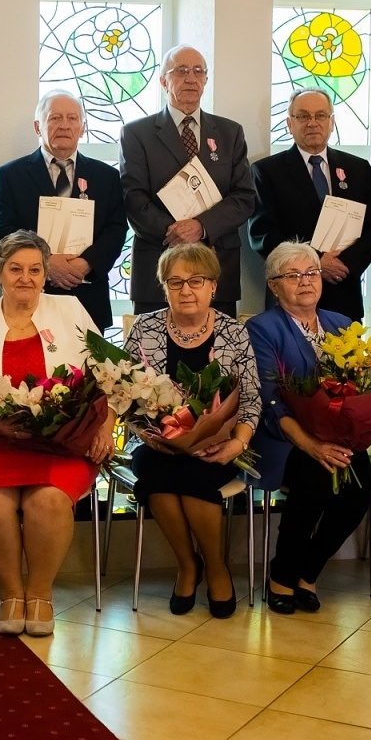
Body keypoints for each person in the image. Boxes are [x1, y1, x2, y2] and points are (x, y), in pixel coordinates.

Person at [0, 231, 115, 638]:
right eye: (16, 269)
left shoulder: (71, 310)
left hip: (64, 441)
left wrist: (106, 426)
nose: (26, 277)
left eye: (35, 269)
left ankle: (39, 594)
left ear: (45, 276)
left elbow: (109, 374)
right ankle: (11, 593)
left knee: (50, 501)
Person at [125, 243, 260, 618]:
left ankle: (215, 567)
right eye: (175, 282)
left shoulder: (234, 332)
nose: (186, 290)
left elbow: (251, 398)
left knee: (197, 472)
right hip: (158, 446)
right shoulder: (145, 328)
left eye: (196, 281)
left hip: (221, 445)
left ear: (213, 286)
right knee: (156, 471)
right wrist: (147, 434)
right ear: (163, 287)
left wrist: (238, 442)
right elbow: (123, 394)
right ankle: (189, 565)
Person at [246, 242, 371, 615]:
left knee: (362, 489)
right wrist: (311, 444)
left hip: (339, 435)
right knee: (314, 479)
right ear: (273, 285)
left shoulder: (343, 324)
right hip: (284, 437)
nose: (305, 282)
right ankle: (282, 576)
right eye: (293, 275)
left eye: (312, 273)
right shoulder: (261, 328)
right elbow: (270, 399)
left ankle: (309, 571)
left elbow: (359, 389)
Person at [119, 46, 256, 316]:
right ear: (163, 81)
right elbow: (133, 198)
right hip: (158, 267)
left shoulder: (230, 133)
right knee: (154, 356)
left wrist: (201, 227)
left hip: (218, 267)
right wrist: (177, 233)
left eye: (198, 71)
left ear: (206, 80)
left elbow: (244, 197)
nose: (191, 78)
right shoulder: (137, 133)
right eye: (181, 71)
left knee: (218, 356)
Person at [0, 89, 129, 331]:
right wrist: (46, 263)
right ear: (37, 127)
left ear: (82, 127)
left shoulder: (107, 177)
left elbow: (116, 229)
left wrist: (86, 263)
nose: (64, 125)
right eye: (54, 118)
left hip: (88, 297)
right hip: (29, 297)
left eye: (72, 118)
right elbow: (2, 231)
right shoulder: (10, 176)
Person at [248, 87, 371, 321]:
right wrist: (317, 261)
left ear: (331, 122)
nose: (313, 123)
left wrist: (345, 264)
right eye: (303, 116)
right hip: (292, 296)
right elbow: (262, 235)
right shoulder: (267, 171)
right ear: (289, 124)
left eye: (320, 115)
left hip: (344, 293)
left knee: (348, 359)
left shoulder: (358, 168)